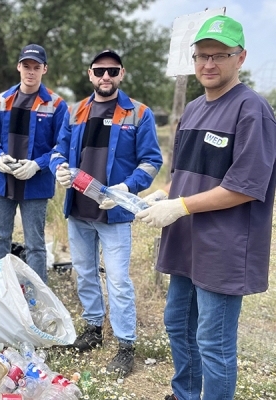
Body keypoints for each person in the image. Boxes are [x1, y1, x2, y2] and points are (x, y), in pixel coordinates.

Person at [136, 16, 276, 400]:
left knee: (213, 342)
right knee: (178, 325)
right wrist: (164, 195)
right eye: (202, 56)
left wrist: (180, 205)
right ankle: (184, 394)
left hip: (224, 245)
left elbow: (246, 187)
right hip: (185, 239)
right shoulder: (194, 110)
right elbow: (182, 172)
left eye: (220, 55)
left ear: (240, 57)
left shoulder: (252, 111)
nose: (209, 64)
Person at [50, 49, 162, 376]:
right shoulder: (75, 111)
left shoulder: (139, 113)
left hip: (114, 212)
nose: (106, 77)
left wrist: (127, 188)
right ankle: (93, 330)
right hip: (79, 209)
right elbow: (58, 150)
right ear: (90, 74)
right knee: (85, 273)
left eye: (112, 71)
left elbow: (151, 160)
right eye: (100, 71)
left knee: (118, 280)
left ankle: (126, 345)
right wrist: (58, 167)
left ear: (121, 74)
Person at [0, 44, 67, 283]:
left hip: (36, 186)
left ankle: (38, 295)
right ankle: (0, 289)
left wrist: (37, 165)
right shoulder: (2, 101)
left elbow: (62, 145)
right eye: (26, 66)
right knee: (0, 239)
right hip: (3, 183)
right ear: (19, 67)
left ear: (44, 69)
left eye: (36, 67)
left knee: (36, 244)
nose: (31, 72)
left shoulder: (57, 105)